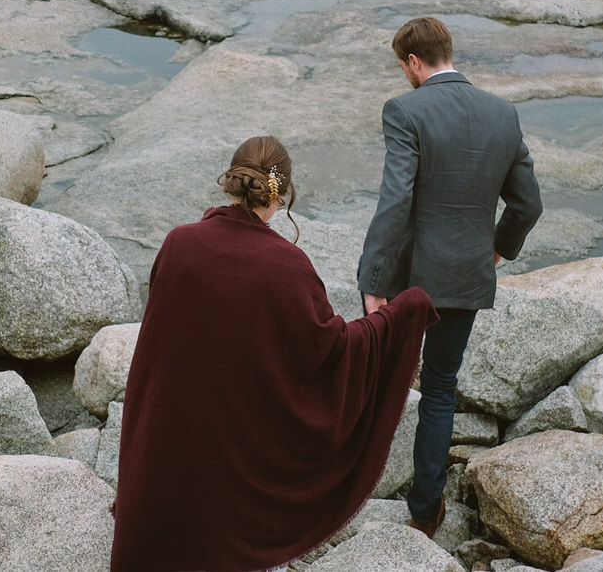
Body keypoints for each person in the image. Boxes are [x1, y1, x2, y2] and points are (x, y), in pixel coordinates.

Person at [110, 135, 437, 572]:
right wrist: (401, 314)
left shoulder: (178, 245)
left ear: (231, 182)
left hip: (168, 463)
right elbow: (336, 352)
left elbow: (156, 356)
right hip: (245, 482)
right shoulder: (288, 266)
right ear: (281, 195)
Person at [357, 15, 542, 537]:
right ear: (447, 52)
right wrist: (498, 250)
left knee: (378, 377)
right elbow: (528, 204)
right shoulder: (502, 113)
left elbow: (395, 202)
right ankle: (425, 511)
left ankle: (350, 481)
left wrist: (373, 279)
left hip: (407, 279)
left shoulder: (405, 110)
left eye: (402, 67)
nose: (403, 75)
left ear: (414, 63)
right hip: (465, 275)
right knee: (441, 388)